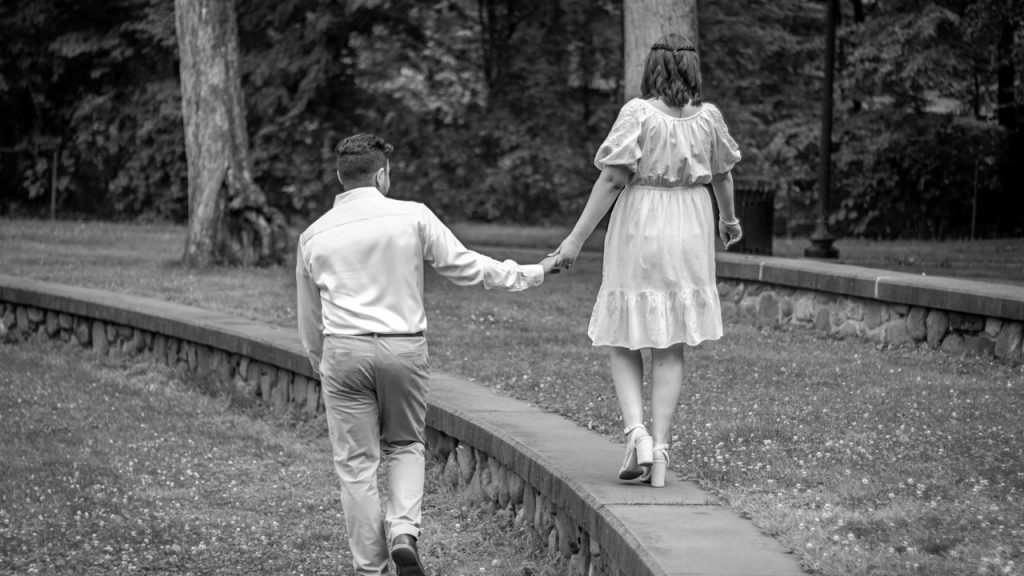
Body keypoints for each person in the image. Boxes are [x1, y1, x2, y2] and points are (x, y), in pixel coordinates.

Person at [296, 133, 558, 576]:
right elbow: (467, 266)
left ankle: (370, 569)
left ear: (341, 179)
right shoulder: (412, 216)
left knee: (356, 467)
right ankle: (404, 532)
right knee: (405, 445)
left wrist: (321, 363)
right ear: (382, 175)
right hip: (403, 347)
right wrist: (532, 273)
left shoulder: (312, 236)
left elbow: (309, 320)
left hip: (343, 351)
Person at [549, 33, 743, 488]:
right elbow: (722, 176)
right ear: (693, 70)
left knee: (625, 333)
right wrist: (728, 220)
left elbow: (613, 179)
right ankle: (661, 448)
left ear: (652, 69)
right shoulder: (709, 117)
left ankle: (636, 432)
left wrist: (575, 240)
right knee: (671, 342)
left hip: (642, 222)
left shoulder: (638, 113)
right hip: (690, 224)